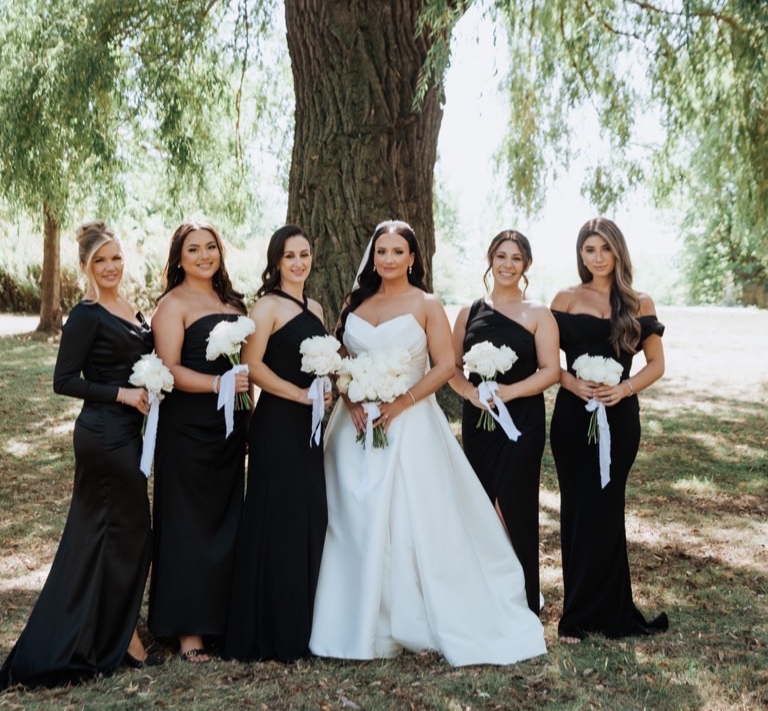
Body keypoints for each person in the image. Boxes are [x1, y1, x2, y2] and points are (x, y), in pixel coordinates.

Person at [309, 220, 547, 667]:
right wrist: (351, 397)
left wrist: (400, 403)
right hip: (355, 424)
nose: (388, 259)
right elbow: (341, 361)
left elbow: (444, 365)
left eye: (398, 252)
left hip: (410, 423)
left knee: (408, 518)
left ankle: (408, 613)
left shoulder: (427, 304)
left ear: (413, 258)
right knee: (352, 517)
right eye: (381, 251)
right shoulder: (356, 302)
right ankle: (351, 616)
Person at [0, 221, 153, 693]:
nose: (111, 267)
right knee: (116, 532)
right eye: (100, 261)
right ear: (84, 268)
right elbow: (64, 380)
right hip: (103, 435)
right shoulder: (87, 314)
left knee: (123, 534)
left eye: (115, 258)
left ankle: (117, 626)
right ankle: (122, 636)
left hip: (131, 434)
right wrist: (121, 394)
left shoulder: (132, 308)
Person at [549, 217, 668, 641]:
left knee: (607, 507)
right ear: (580, 255)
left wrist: (624, 388)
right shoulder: (564, 298)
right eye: (588, 250)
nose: (596, 257)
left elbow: (657, 364)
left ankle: (614, 610)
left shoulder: (639, 302)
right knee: (577, 510)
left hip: (619, 417)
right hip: (571, 416)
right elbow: (545, 361)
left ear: (618, 251)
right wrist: (570, 381)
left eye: (603, 249)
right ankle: (576, 617)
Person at [224, 225, 331, 662]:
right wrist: (300, 394)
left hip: (311, 426)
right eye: (290, 256)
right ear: (276, 261)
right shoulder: (265, 306)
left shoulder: (318, 307)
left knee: (309, 517)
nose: (299, 263)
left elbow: (320, 366)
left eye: (305, 254)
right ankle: (270, 629)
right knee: (277, 519)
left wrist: (324, 391)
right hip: (277, 423)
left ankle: (302, 624)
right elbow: (253, 368)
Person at [148, 221, 250, 663]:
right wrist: (218, 386)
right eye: (194, 249)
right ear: (179, 257)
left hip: (230, 429)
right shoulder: (172, 306)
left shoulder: (233, 303)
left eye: (211, 247)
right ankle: (188, 630)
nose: (205, 255)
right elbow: (168, 369)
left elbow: (247, 368)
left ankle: (221, 618)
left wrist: (245, 403)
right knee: (188, 523)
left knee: (226, 520)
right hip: (188, 427)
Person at [448, 230, 560, 615]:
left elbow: (551, 372)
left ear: (526, 265)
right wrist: (470, 394)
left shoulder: (538, 313)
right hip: (479, 422)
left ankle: (520, 594)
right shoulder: (469, 313)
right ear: (489, 260)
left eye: (516, 258)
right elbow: (450, 369)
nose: (507, 264)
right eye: (501, 256)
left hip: (523, 421)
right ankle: (485, 592)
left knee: (511, 501)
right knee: (481, 502)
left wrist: (510, 394)